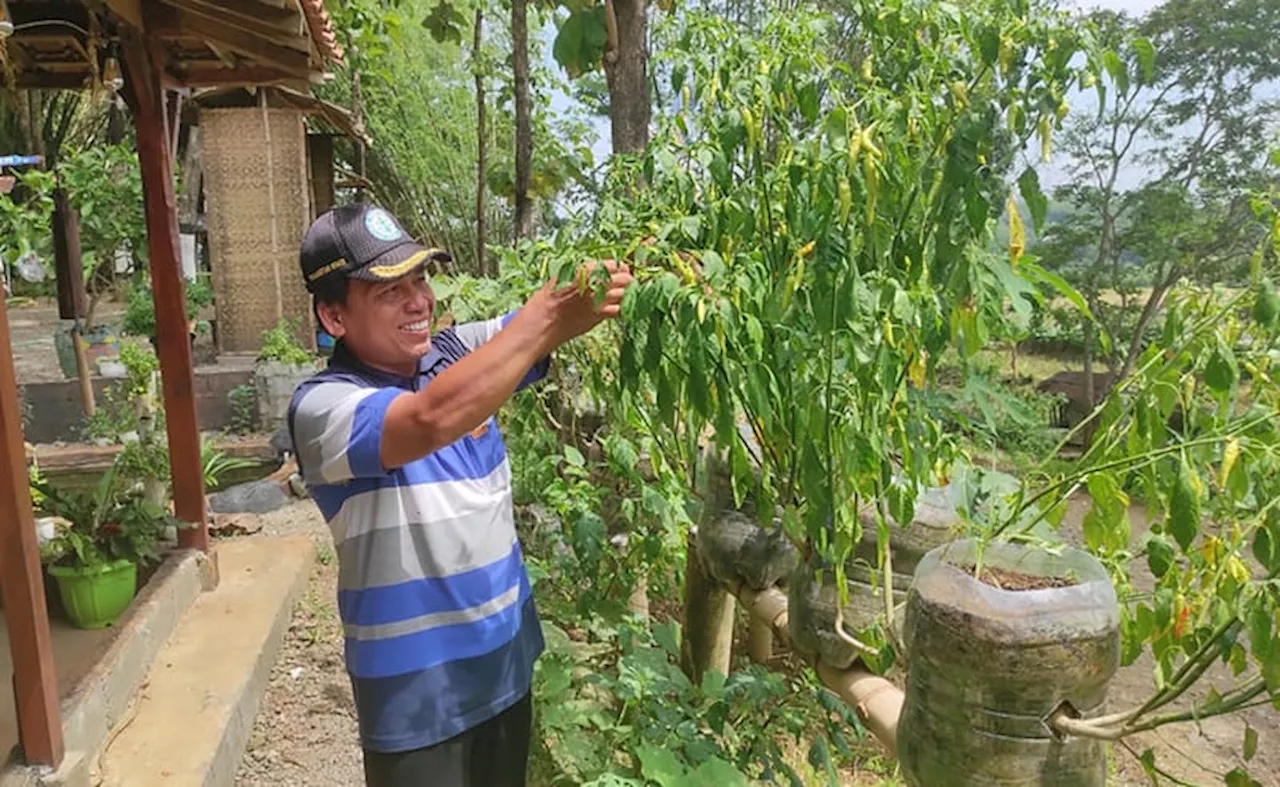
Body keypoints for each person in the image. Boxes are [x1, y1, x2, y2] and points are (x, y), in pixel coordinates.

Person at [286, 203, 633, 787]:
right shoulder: (323, 407)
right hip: (418, 698)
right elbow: (429, 418)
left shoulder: (451, 354)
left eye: (421, 278)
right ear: (334, 316)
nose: (419, 300)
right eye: (388, 289)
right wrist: (545, 316)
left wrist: (606, 277)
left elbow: (528, 333)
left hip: (505, 665)